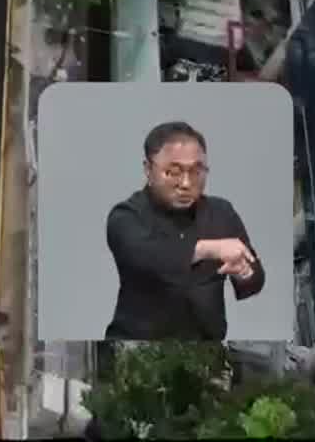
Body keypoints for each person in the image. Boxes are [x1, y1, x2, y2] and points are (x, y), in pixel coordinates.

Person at [104, 121, 264, 340]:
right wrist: (209, 249)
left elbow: (255, 278)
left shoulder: (221, 212)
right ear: (148, 170)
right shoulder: (126, 216)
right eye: (174, 172)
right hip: (138, 343)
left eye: (197, 171)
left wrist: (245, 272)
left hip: (205, 346)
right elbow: (149, 257)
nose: (186, 183)